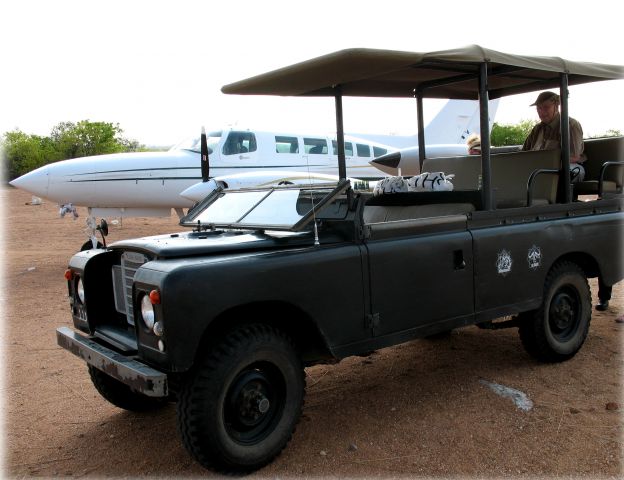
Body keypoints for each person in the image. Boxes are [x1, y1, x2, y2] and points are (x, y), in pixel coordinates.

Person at [522, 91, 586, 183]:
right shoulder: (537, 129)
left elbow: (574, 157)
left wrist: (545, 163)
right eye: (538, 108)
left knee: (567, 173)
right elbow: (524, 154)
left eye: (546, 107)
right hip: (538, 169)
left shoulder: (570, 125)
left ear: (556, 106)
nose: (541, 111)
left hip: (568, 167)